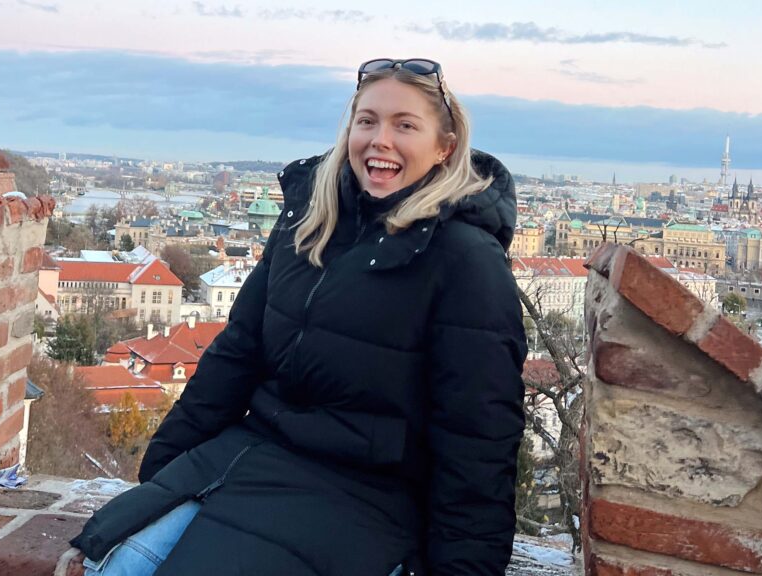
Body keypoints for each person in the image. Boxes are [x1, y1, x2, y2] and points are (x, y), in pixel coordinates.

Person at [71, 58, 527, 576]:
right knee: (116, 564)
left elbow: (479, 437)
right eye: (367, 120)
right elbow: (237, 353)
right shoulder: (307, 223)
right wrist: (164, 472)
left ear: (444, 147)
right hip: (248, 460)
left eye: (405, 125)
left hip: (367, 496)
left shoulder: (465, 259)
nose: (380, 139)